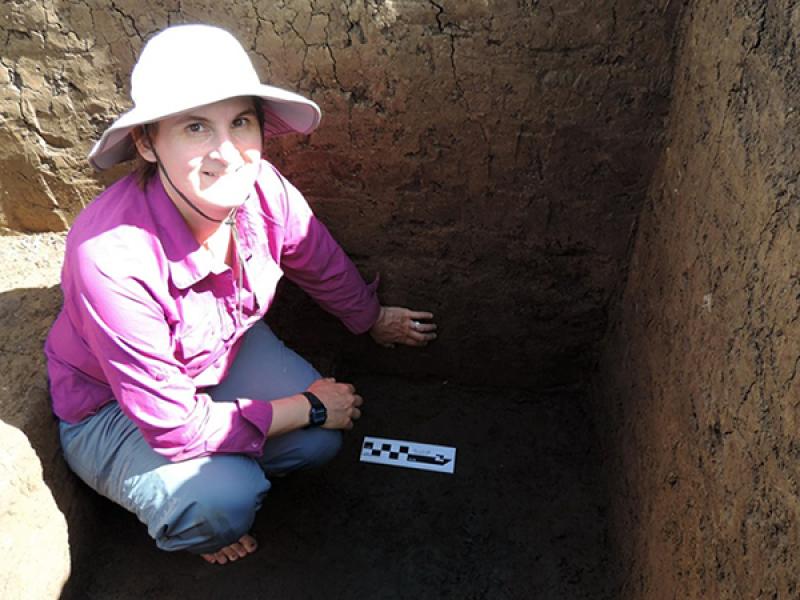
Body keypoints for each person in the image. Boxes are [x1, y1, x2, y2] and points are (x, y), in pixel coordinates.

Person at [44, 23, 437, 565]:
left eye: (241, 122)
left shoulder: (262, 190)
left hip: (217, 356)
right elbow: (175, 426)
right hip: (114, 407)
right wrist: (308, 407)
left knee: (315, 443)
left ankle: (231, 465)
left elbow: (316, 259)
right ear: (147, 142)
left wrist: (369, 318)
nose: (227, 153)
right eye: (196, 127)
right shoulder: (110, 260)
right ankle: (195, 519)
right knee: (222, 499)